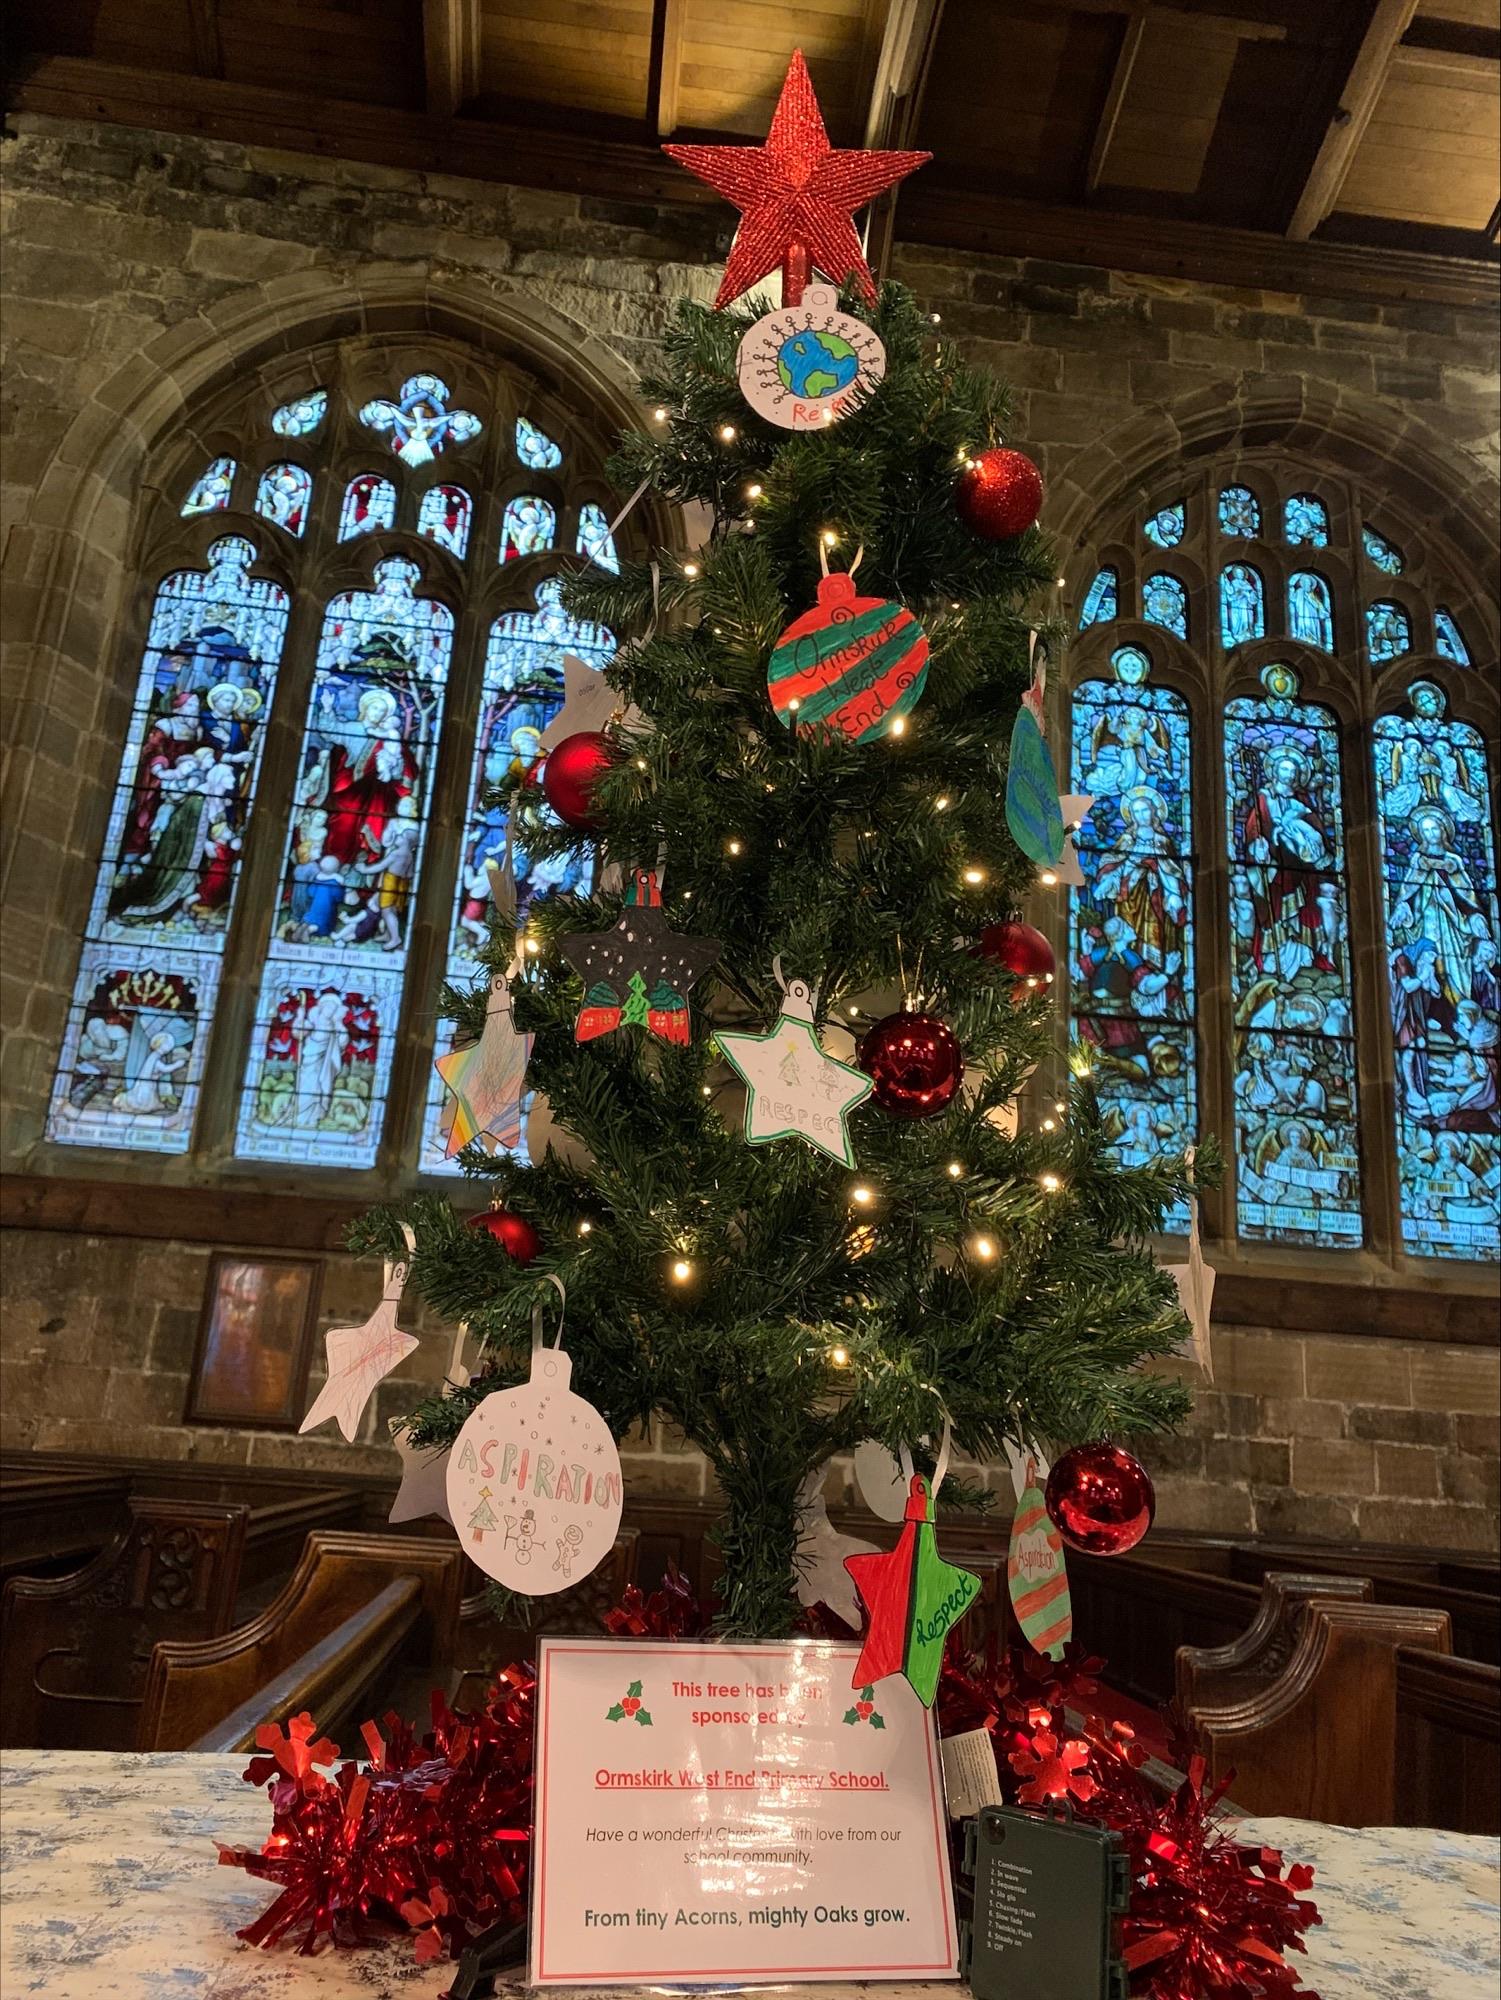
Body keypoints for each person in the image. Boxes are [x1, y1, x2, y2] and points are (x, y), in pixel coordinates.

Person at [112, 1030, 188, 1116]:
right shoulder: (154, 1057)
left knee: (151, 1096)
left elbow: (154, 1071)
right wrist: (177, 1064)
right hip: (146, 1084)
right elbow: (165, 1069)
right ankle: (123, 1101)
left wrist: (157, 1075)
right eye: (167, 1044)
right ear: (160, 1045)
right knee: (143, 1098)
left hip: (150, 1083)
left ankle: (149, 1105)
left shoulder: (155, 1056)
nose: (169, 1047)